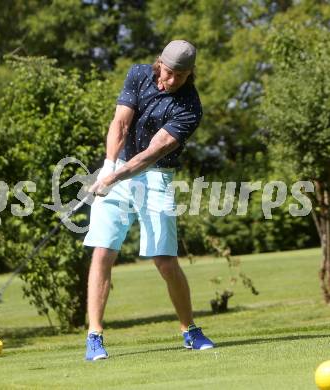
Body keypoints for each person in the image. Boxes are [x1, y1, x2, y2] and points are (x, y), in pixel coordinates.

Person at [84, 40, 215, 361]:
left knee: (165, 259)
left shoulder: (190, 106)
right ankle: (94, 337)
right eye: (169, 72)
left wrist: (114, 178)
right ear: (160, 63)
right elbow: (121, 123)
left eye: (180, 76)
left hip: (156, 176)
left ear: (190, 74)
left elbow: (153, 153)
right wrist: (110, 164)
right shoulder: (139, 75)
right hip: (119, 165)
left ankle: (189, 330)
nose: (170, 81)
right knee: (103, 251)